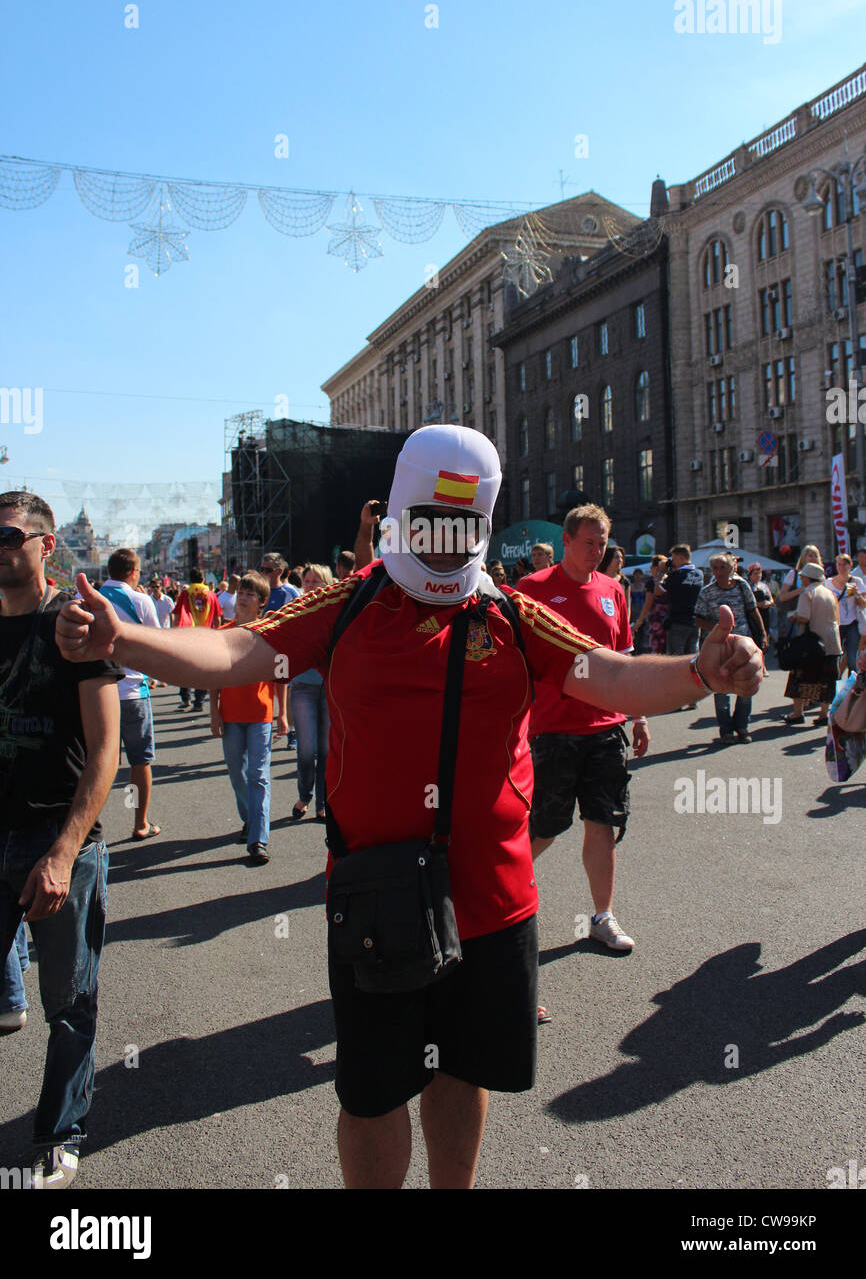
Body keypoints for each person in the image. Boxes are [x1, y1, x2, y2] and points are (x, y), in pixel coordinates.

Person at [55, 425, 762, 1191]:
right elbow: (234, 653)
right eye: (430, 525)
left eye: (465, 530)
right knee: (370, 1096)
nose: (446, 548)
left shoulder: (516, 616)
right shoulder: (347, 604)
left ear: (484, 527)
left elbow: (612, 677)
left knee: (462, 1076)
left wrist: (701, 672)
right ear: (399, 515)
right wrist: (120, 638)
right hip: (376, 901)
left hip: (494, 903)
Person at [0, 491, 121, 1189]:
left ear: (46, 545)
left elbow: (105, 751)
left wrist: (64, 849)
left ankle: (59, 1135)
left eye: (12, 535)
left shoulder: (71, 628)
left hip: (60, 838)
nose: (1, 548)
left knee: (70, 1006)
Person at [517, 505, 647, 964]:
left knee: (604, 821)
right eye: (589, 542)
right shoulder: (530, 590)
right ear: (566, 540)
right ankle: (493, 908)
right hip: (551, 731)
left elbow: (626, 662)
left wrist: (639, 717)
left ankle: (602, 917)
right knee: (544, 828)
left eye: (602, 543)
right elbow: (517, 667)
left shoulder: (615, 589)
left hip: (607, 729)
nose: (597, 551)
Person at [209, 571, 288, 864]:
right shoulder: (224, 633)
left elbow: (281, 677)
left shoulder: (269, 632)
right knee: (236, 773)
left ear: (261, 603)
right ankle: (250, 818)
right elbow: (213, 674)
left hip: (260, 714)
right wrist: (214, 712)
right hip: (230, 714)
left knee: (258, 776)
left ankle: (258, 839)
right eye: (240, 593)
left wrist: (283, 715)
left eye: (249, 595)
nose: (242, 598)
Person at [100, 549, 162, 840]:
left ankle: (89, 825)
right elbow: (158, 644)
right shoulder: (141, 600)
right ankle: (140, 823)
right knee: (139, 762)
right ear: (133, 572)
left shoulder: (89, 599)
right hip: (133, 693)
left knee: (97, 761)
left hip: (97, 693)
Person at [695, 553, 765, 743]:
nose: (718, 572)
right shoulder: (706, 592)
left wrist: (762, 634)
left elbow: (753, 609)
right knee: (721, 688)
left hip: (743, 644)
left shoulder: (742, 586)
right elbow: (698, 619)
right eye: (715, 569)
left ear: (731, 569)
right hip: (718, 647)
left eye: (722, 568)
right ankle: (726, 730)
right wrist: (719, 629)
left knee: (746, 685)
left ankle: (742, 726)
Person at [289, 565, 333, 822]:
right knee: (306, 749)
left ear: (326, 585)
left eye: (316, 581)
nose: (310, 585)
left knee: (326, 749)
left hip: (328, 685)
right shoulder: (295, 611)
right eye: (307, 581)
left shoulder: (335, 613)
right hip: (303, 685)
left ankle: (323, 802)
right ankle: (304, 795)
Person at [784, 562, 843, 726]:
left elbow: (804, 617)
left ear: (809, 577)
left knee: (801, 676)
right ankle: (823, 714)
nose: (801, 578)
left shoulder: (807, 592)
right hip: (832, 643)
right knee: (827, 680)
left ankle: (797, 713)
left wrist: (793, 617)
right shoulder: (829, 593)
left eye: (803, 576)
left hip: (812, 644)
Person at [172, 567, 222, 711]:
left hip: (188, 635)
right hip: (206, 636)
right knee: (202, 669)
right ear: (203, 579)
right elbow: (217, 618)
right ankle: (199, 701)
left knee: (184, 667)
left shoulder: (185, 593)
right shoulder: (211, 594)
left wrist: (175, 632)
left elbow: (177, 615)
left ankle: (186, 698)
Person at [825, 554, 865, 677]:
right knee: (834, 656)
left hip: (852, 623)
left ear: (850, 565)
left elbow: (864, 604)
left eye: (845, 564)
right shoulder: (829, 582)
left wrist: (857, 594)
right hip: (835, 623)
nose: (842, 567)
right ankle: (834, 684)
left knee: (852, 658)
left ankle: (852, 686)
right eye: (839, 564)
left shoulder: (856, 581)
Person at [633, 554, 669, 653]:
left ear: (655, 567)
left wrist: (639, 622)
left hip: (657, 619)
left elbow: (648, 604)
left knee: (657, 649)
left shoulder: (652, 582)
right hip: (670, 619)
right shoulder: (670, 579)